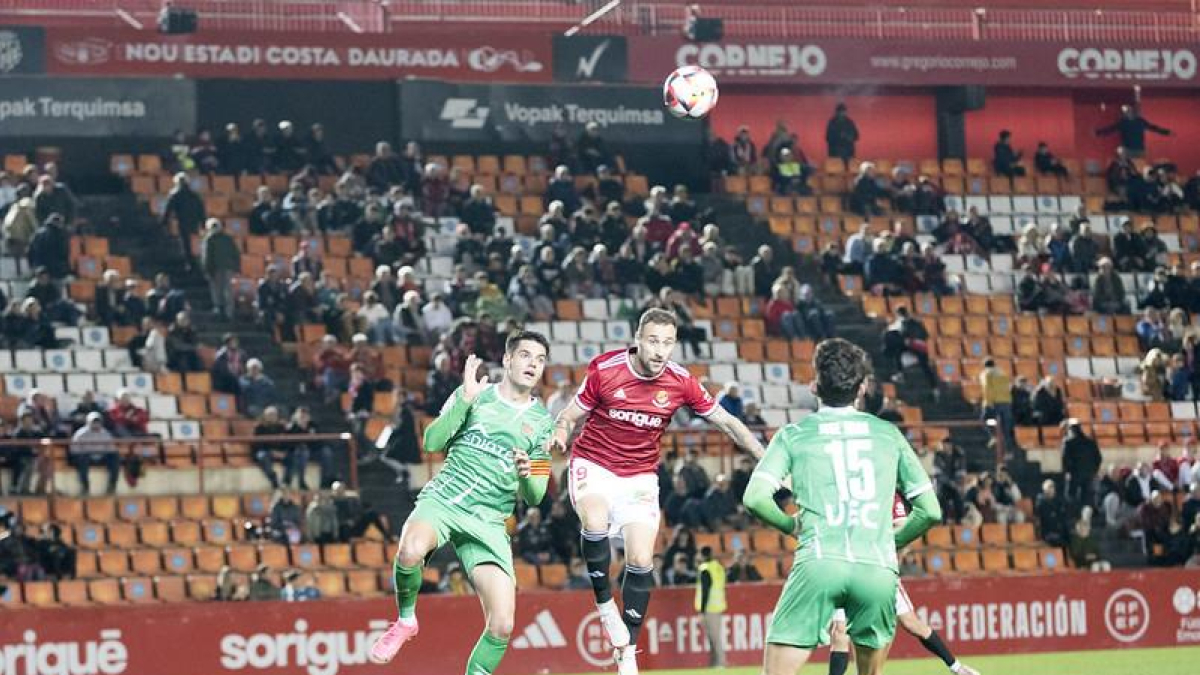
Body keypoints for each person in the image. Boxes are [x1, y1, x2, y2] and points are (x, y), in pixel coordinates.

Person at [549, 309, 766, 675]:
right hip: (595, 464)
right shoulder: (606, 370)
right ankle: (605, 607)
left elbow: (727, 422)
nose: (660, 350)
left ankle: (628, 651)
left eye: (667, 343)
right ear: (638, 338)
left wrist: (764, 456)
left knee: (641, 561)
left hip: (639, 476)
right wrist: (559, 433)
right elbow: (569, 415)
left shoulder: (681, 381)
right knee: (596, 520)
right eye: (653, 341)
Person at [742, 338, 940, 675]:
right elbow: (930, 511)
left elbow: (755, 498)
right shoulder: (888, 434)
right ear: (862, 387)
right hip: (876, 569)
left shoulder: (793, 434)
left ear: (814, 385)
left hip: (820, 561)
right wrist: (890, 543)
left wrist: (791, 526)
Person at [369, 332, 555, 675]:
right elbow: (431, 441)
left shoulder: (543, 424)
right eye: (526, 355)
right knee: (410, 551)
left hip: (488, 522)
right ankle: (406, 620)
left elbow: (536, 495)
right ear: (508, 359)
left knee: (501, 625)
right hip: (444, 501)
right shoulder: (475, 394)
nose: (532, 363)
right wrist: (464, 400)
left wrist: (528, 473)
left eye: (540, 359)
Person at [828, 493, 981, 675]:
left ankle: (956, 668)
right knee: (839, 632)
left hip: (880, 571)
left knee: (911, 622)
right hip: (846, 569)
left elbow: (902, 527)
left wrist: (880, 543)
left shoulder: (889, 494)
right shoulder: (844, 491)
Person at [69, 412, 121, 496]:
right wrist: (84, 453)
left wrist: (106, 453)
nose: (96, 424)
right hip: (86, 457)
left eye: (98, 422)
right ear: (88, 422)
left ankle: (112, 486)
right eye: (93, 422)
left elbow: (111, 448)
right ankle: (85, 487)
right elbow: (74, 449)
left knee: (114, 457)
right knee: (82, 459)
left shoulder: (106, 433)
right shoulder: (81, 434)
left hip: (101, 457)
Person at [161, 172, 205, 269]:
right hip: (194, 222)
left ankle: (189, 263)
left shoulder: (175, 194)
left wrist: (164, 222)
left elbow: (168, 209)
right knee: (193, 243)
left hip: (182, 221)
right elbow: (201, 210)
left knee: (185, 243)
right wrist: (203, 223)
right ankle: (196, 262)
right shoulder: (195, 195)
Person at [1096, 104, 1171, 158]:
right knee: (1128, 167)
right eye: (1126, 112)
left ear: (1132, 112)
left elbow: (1153, 128)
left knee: (1140, 167)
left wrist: (1166, 132)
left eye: (1128, 112)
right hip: (1128, 149)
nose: (1127, 114)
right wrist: (1099, 132)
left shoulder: (1140, 121)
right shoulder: (1123, 122)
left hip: (1139, 149)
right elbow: (1111, 129)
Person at [695, 546, 727, 668]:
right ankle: (714, 663)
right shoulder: (718, 567)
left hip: (709, 609)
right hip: (718, 606)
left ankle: (721, 663)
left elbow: (705, 591)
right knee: (714, 637)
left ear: (701, 555)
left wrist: (702, 611)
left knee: (714, 638)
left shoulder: (705, 569)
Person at [1035, 480, 1070, 546]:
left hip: (1060, 531)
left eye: (1052, 487)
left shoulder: (1059, 501)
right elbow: (1043, 519)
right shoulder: (1041, 503)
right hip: (1048, 532)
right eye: (1049, 487)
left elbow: (1063, 515)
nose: (1051, 489)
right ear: (1044, 490)